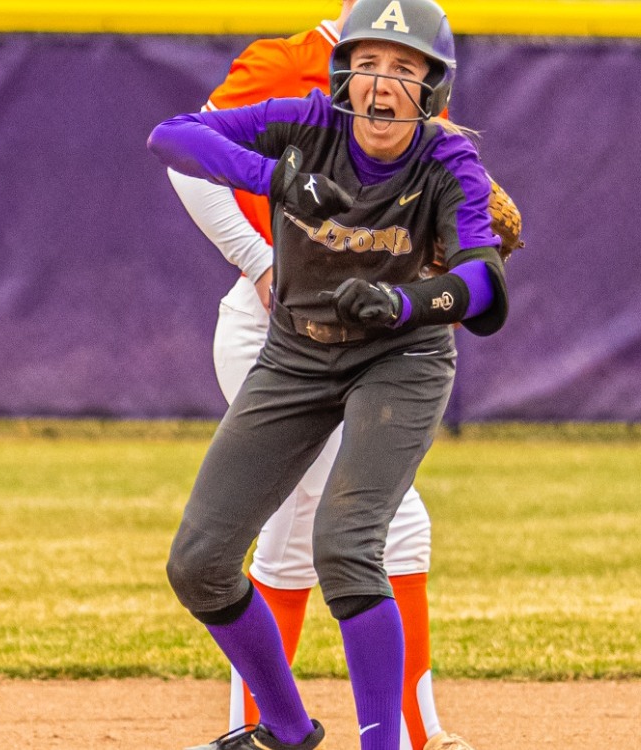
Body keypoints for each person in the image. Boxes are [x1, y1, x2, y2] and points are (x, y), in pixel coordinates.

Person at [149, 0, 509, 747]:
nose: (382, 85)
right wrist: (275, 178)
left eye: (404, 69)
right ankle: (282, 730)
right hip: (295, 352)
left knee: (346, 544)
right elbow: (172, 137)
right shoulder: (308, 118)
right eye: (367, 64)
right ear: (342, 73)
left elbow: (484, 288)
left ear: (435, 87)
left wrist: (406, 302)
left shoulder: (447, 159)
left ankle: (391, 741)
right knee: (199, 564)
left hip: (400, 357)